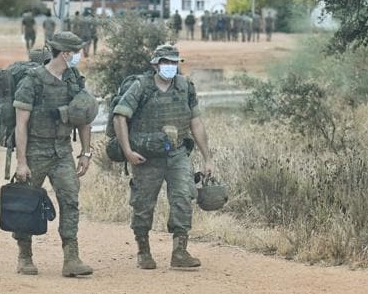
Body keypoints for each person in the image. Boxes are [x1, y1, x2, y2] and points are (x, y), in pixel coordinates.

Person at [112, 44, 215, 270]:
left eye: (173, 62)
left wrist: (207, 158)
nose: (170, 66)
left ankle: (179, 252)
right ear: (155, 64)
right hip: (147, 157)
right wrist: (128, 151)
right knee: (143, 204)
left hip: (177, 154)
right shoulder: (141, 87)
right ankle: (143, 250)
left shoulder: (185, 86)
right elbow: (119, 117)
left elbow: (195, 122)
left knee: (183, 197)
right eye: (165, 62)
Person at [12, 32, 94, 278]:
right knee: (25, 204)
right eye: (77, 51)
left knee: (70, 200)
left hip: (62, 151)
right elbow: (21, 125)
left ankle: (71, 257)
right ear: (66, 53)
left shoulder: (73, 79)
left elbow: (83, 117)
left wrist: (86, 152)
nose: (80, 55)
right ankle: (24, 256)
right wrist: (21, 162)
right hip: (35, 150)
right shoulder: (32, 81)